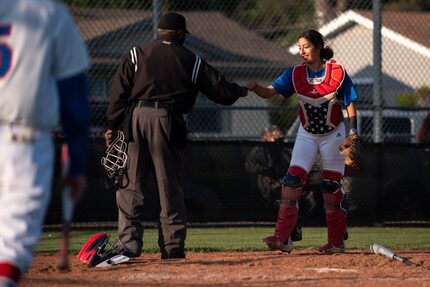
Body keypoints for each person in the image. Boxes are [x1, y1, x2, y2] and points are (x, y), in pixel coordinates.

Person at [105, 12, 247, 260]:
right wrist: (243, 90)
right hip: (167, 121)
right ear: (180, 33)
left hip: (135, 118)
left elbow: (119, 92)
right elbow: (221, 91)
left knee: (131, 185)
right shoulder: (190, 59)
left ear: (160, 32)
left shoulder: (136, 53)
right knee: (169, 186)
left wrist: (114, 126)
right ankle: (172, 247)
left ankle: (128, 244)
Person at [0, 0, 89, 285]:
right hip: (22, 141)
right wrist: (78, 164)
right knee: (11, 248)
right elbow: (74, 97)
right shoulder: (49, 12)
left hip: (22, 137)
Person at [247, 29, 359, 254]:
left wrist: (353, 133)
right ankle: (283, 237)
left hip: (333, 134)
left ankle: (336, 241)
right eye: (299, 47)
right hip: (306, 134)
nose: (301, 51)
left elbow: (349, 104)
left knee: (331, 186)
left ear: (318, 47)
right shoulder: (294, 74)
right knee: (291, 182)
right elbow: (271, 92)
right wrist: (256, 88)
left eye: (306, 46)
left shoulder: (337, 72)